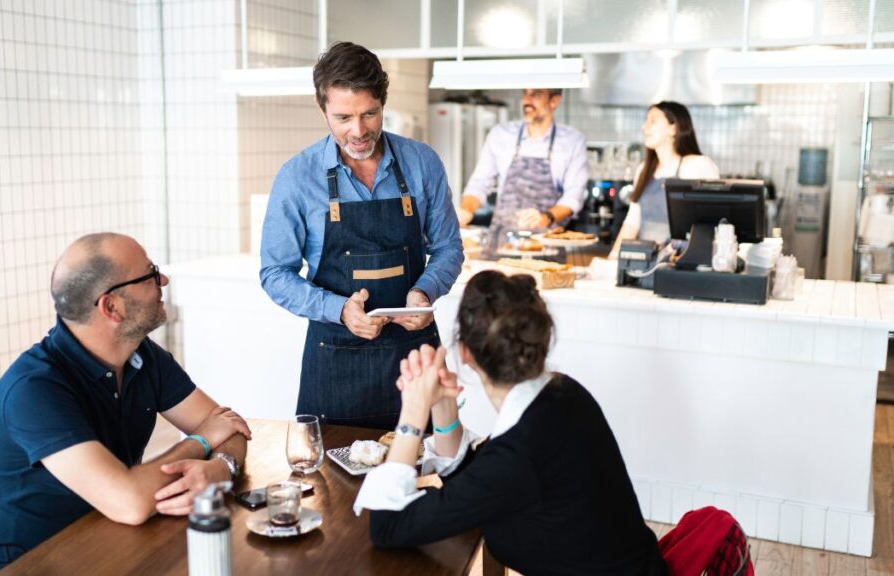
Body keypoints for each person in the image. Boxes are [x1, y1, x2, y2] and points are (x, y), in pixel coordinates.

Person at [353, 270, 667, 575]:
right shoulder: (562, 393)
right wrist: (442, 406)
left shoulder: (519, 453)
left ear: (464, 355)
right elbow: (476, 484)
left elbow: (387, 527)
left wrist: (412, 414)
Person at [0, 233, 251, 572]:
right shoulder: (33, 390)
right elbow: (131, 502)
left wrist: (222, 467)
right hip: (42, 565)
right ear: (112, 307)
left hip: (112, 540)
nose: (163, 279)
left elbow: (230, 423)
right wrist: (201, 441)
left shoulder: (143, 356)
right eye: (150, 274)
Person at [259, 42, 463, 429]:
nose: (358, 131)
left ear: (383, 103)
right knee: (333, 485)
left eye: (370, 114)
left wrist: (424, 293)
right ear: (323, 109)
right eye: (342, 117)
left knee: (427, 477)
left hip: (415, 358)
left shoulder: (422, 162)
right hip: (336, 361)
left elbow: (449, 247)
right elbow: (275, 274)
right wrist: (338, 310)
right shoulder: (297, 177)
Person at [455, 88, 589, 258]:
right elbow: (479, 184)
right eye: (525, 94)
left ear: (554, 101)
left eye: (536, 95)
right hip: (500, 246)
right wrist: (466, 210)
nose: (527, 100)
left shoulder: (572, 141)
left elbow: (574, 196)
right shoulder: (501, 135)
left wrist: (546, 217)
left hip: (546, 247)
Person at [612, 101, 720, 256]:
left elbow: (712, 221)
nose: (644, 127)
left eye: (653, 121)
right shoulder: (643, 169)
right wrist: (613, 258)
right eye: (645, 121)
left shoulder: (698, 165)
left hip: (684, 263)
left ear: (673, 128)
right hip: (646, 261)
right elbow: (632, 222)